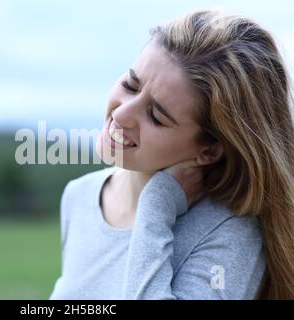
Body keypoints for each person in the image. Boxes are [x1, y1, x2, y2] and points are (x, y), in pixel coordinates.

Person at [49, 9, 294, 300]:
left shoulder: (229, 231)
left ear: (209, 150)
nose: (122, 114)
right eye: (130, 85)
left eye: (156, 116)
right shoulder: (79, 196)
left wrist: (158, 202)